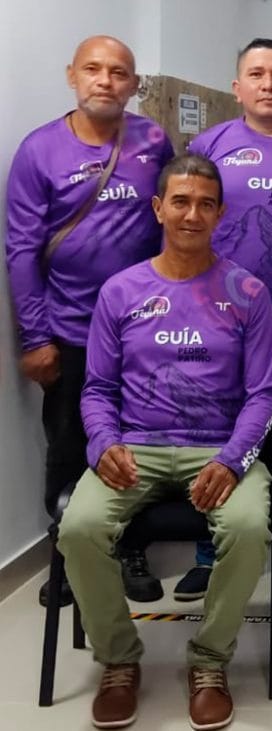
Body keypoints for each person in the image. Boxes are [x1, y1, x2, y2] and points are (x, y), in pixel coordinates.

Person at [56, 154, 272, 731]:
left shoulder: (248, 291)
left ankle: (208, 662)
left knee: (251, 527)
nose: (192, 213)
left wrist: (233, 460)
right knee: (78, 528)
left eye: (206, 203)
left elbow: (264, 394)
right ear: (159, 208)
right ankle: (119, 661)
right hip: (136, 446)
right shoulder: (121, 290)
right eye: (180, 201)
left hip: (220, 447)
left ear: (222, 213)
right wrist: (103, 443)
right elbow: (97, 387)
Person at [142, 37, 272, 603]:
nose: (269, 84)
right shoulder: (210, 146)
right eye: (257, 74)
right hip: (224, 319)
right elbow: (186, 229)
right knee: (229, 429)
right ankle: (214, 554)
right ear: (237, 87)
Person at [4, 34, 174, 606]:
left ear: (133, 84)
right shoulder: (39, 151)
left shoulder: (153, 141)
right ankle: (69, 558)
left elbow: (170, 225)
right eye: (94, 70)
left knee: (139, 443)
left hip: (145, 332)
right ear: (72, 75)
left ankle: (129, 550)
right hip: (71, 331)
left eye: (119, 72)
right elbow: (22, 250)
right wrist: (35, 337)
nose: (106, 80)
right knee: (70, 447)